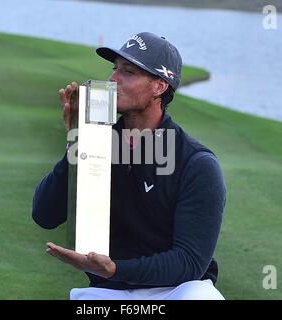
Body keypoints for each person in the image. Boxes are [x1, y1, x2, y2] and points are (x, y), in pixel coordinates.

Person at [32, 32, 226, 300]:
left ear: (159, 86)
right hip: (109, 291)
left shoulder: (196, 164)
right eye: (115, 69)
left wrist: (115, 269)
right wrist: (78, 142)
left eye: (129, 72)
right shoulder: (98, 144)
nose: (113, 79)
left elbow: (189, 263)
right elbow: (44, 215)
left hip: (179, 290)